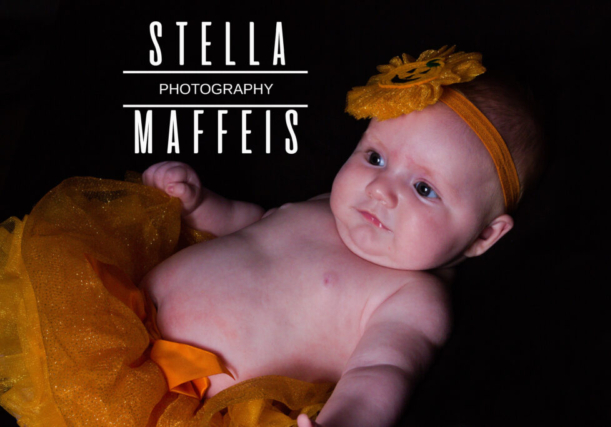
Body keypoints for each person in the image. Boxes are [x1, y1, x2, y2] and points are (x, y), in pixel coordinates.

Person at [0, 46, 544, 427]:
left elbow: (383, 372)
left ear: (484, 236)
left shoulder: (412, 297)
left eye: (425, 188)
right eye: (375, 157)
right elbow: (251, 227)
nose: (382, 189)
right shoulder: (325, 208)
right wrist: (199, 203)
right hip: (114, 326)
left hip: (175, 405)